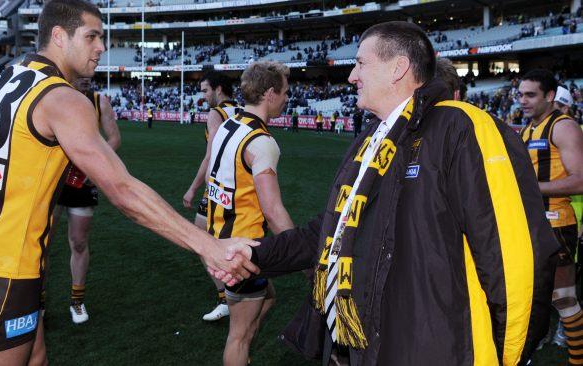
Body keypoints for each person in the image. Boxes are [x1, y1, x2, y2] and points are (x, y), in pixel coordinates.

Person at [217, 21, 558, 366]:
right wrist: (256, 254)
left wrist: (509, 356)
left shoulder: (462, 128)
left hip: (431, 349)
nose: (352, 76)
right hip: (364, 343)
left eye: (361, 63)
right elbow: (331, 230)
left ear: (398, 68)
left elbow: (515, 262)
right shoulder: (372, 138)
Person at [0, 1, 257, 365]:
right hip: (4, 268)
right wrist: (209, 246)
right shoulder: (64, 98)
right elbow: (123, 191)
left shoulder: (6, 78)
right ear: (59, 37)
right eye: (92, 36)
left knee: (36, 358)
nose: (102, 46)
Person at [208, 61, 294, 366]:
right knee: (239, 336)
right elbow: (273, 211)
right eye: (284, 92)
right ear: (270, 93)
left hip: (218, 239)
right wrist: (301, 251)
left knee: (268, 298)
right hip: (241, 250)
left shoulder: (228, 123)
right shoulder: (262, 142)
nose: (286, 98)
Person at [519, 69, 583, 360]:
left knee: (564, 298)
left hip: (558, 224)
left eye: (530, 95)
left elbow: (580, 180)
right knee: (530, 297)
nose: (523, 100)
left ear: (549, 96)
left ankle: (577, 358)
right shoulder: (527, 129)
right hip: (530, 225)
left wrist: (532, 188)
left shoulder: (563, 126)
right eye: (520, 94)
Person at [51, 77, 120, 324]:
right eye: (80, 76)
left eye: (89, 78)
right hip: (52, 181)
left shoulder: (99, 101)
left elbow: (114, 138)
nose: (85, 81)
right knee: (41, 242)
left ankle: (77, 301)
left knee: (79, 242)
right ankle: (35, 302)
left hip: (82, 182)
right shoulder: (54, 95)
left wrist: (93, 167)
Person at [183, 71, 242, 321]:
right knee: (229, 240)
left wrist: (194, 188)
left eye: (206, 90)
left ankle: (226, 297)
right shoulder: (241, 109)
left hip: (218, 186)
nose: (203, 96)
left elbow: (211, 156)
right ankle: (238, 294)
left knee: (202, 240)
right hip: (240, 184)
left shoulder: (216, 114)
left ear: (218, 89)